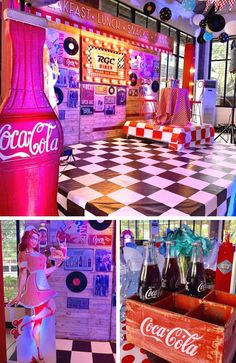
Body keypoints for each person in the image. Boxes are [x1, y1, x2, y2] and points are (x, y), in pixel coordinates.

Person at [8, 229, 63, 362]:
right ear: (26, 238)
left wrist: (57, 265)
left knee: (40, 321)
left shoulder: (39, 254)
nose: (35, 241)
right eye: (32, 238)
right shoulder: (23, 254)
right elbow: (23, 274)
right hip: (34, 286)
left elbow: (44, 272)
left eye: (37, 239)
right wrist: (19, 294)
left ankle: (37, 348)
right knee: (49, 310)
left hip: (43, 284)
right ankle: (31, 336)